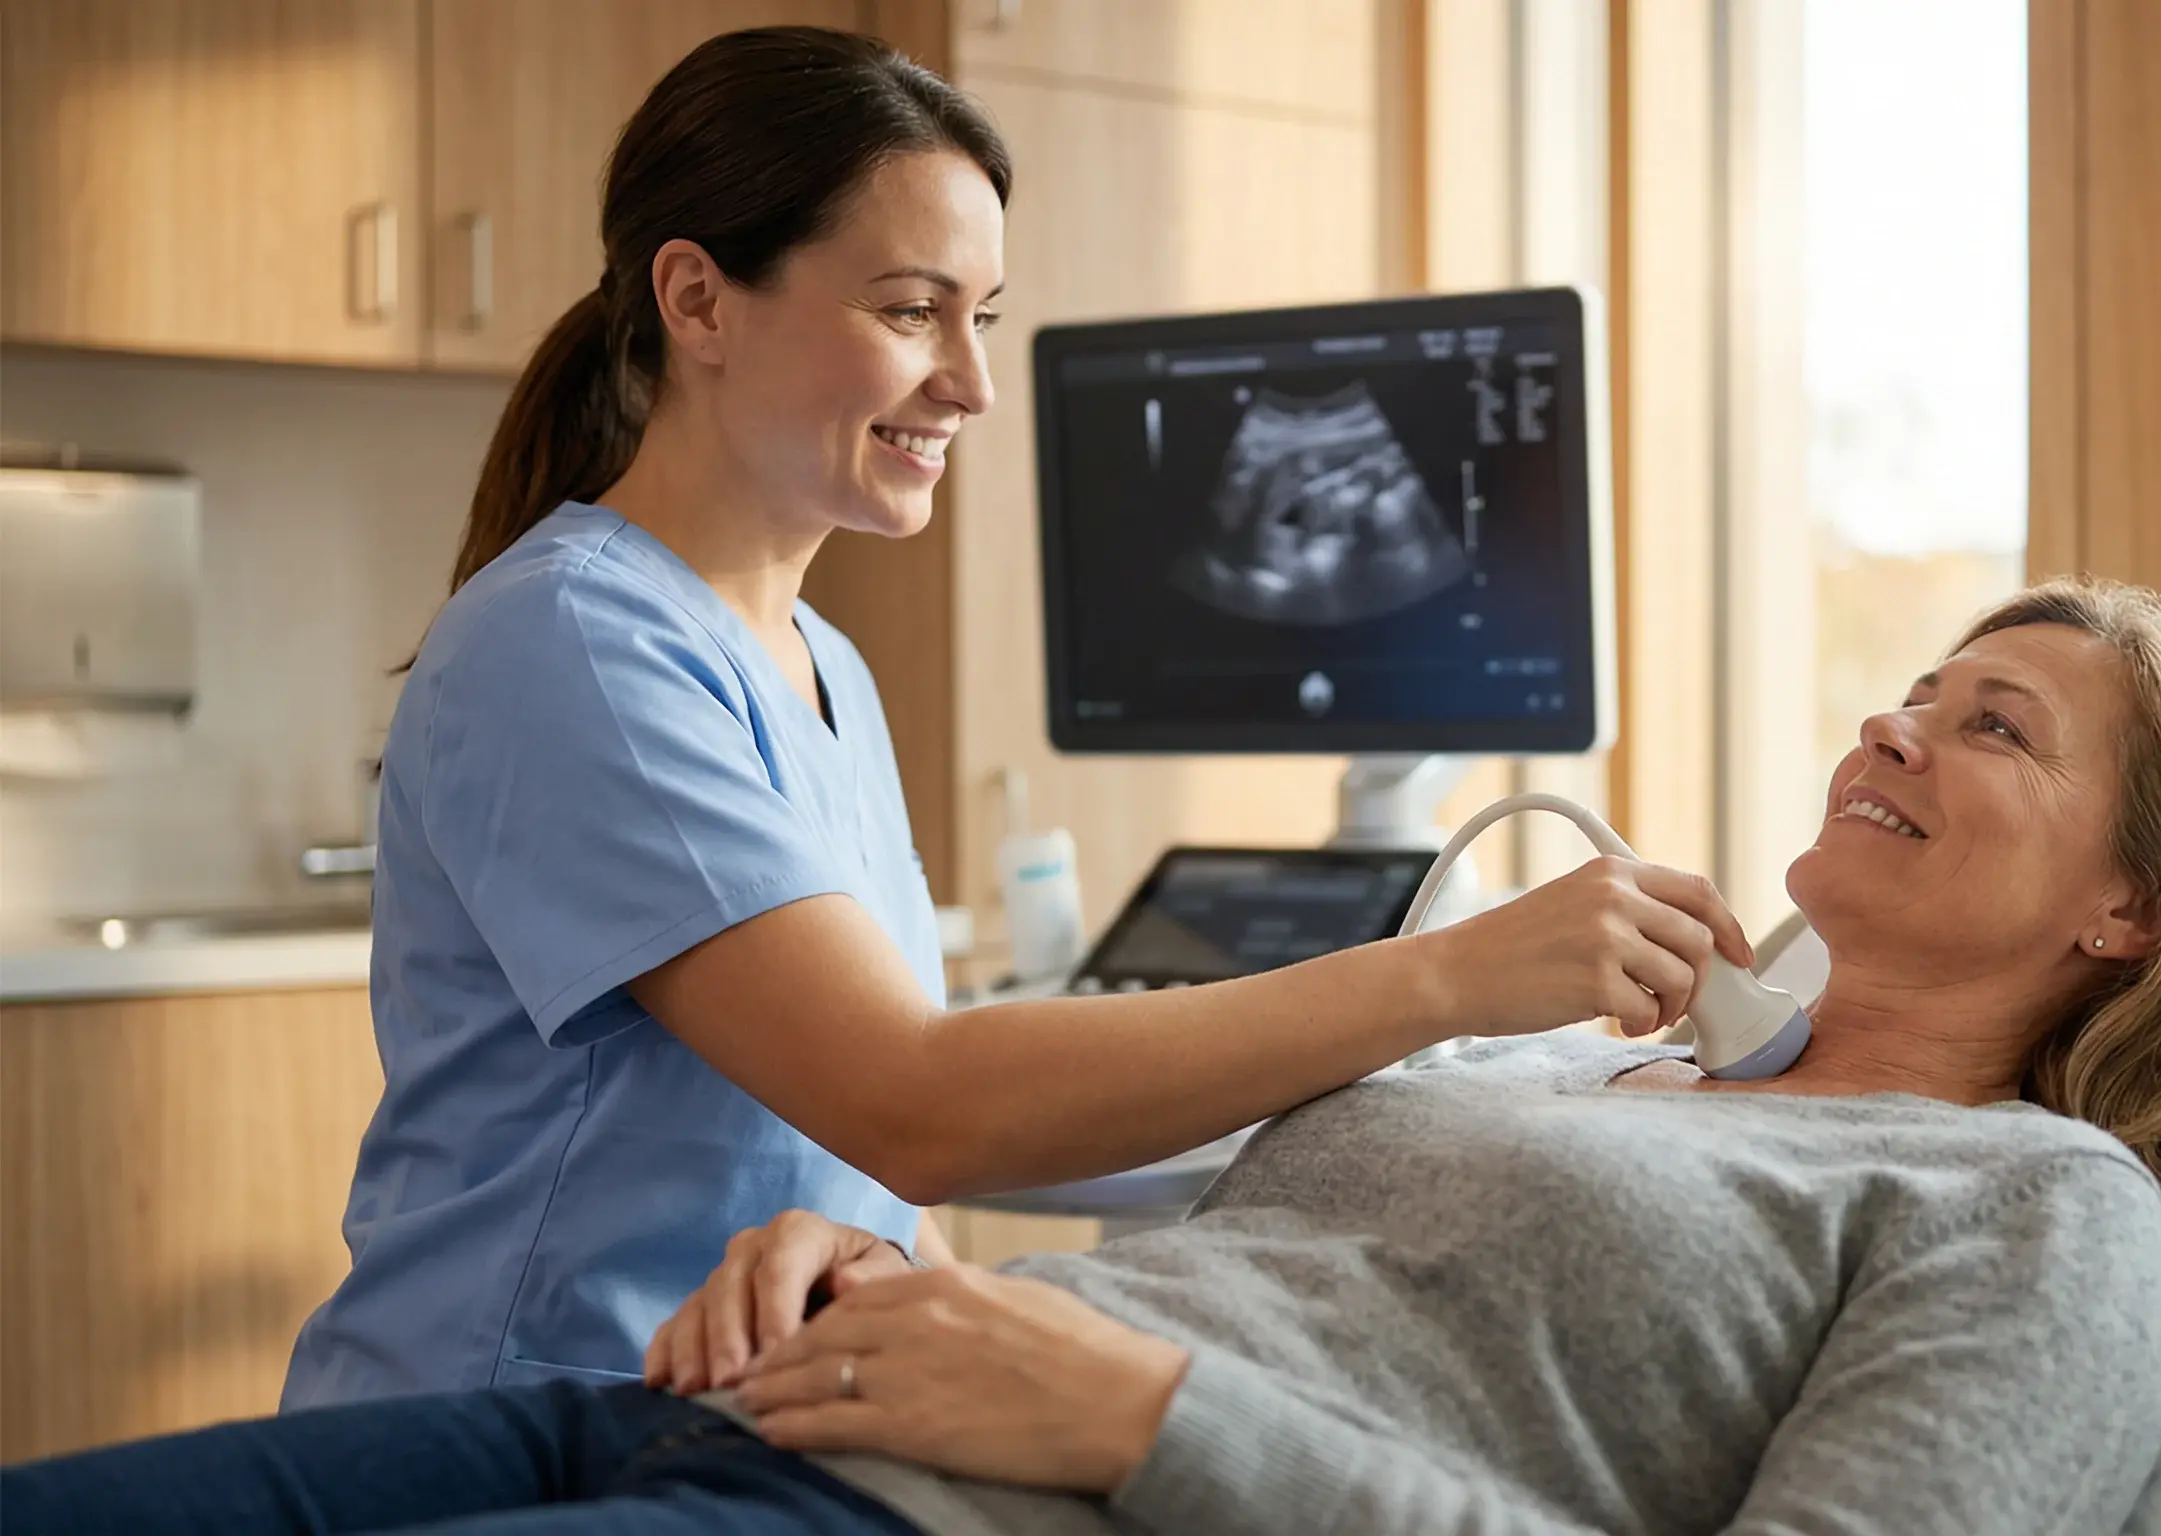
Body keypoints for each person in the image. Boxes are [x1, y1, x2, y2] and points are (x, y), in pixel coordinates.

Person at [6, 579, 2161, 1535]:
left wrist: (1138, 1421)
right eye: (1913, 680)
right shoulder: (1583, 1078)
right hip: (727, 1405)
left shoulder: (2025, 1207)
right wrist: (832, 1261)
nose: (1895, 720)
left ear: (2130, 912)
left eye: (1987, 726)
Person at [279, 25, 1755, 1408]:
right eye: (911, 310)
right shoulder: (574, 643)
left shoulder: (820, 668)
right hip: (525, 1429)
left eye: (981, 318)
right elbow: (915, 1103)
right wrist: (1444, 978)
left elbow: (880, 1119)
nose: (973, 384)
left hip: (749, 1417)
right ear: (697, 299)